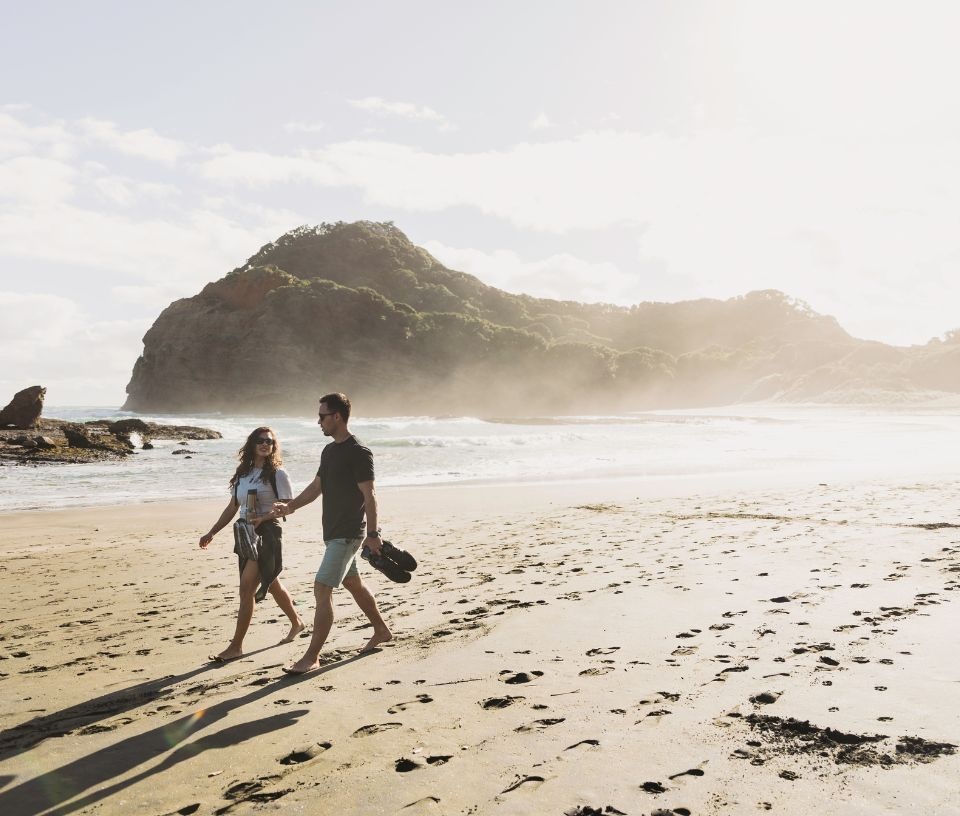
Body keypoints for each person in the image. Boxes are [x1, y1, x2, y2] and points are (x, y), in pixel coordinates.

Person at [272, 392, 392, 674]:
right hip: (334, 532)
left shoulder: (359, 452)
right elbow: (316, 488)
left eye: (322, 416)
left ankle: (312, 656)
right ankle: (381, 630)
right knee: (353, 583)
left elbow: (370, 495)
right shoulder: (329, 451)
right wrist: (289, 507)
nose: (318, 422)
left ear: (337, 417)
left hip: (349, 533)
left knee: (322, 588)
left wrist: (373, 533)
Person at [199, 426, 305, 662]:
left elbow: (289, 506)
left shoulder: (278, 474)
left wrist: (265, 517)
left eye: (269, 441)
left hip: (267, 534)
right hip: (245, 532)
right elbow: (232, 507)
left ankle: (236, 646)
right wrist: (212, 532)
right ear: (252, 444)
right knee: (271, 580)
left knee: (246, 588)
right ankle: (297, 622)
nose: (265, 444)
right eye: (260, 440)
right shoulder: (243, 474)